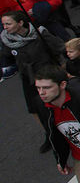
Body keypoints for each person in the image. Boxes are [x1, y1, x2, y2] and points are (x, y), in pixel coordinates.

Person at [0, 10, 66, 152]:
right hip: (28, 78)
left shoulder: (39, 33)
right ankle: (50, 134)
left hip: (48, 73)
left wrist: (63, 69)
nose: (5, 27)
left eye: (8, 23)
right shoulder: (7, 40)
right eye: (3, 24)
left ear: (20, 23)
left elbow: (59, 47)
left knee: (60, 101)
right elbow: (8, 58)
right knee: (34, 108)